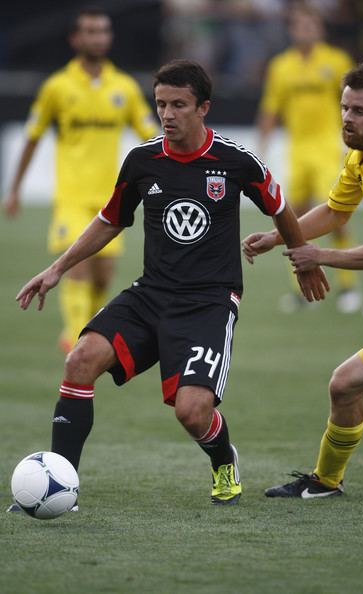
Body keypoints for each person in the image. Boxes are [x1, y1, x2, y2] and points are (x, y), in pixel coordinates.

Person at [8, 59, 328, 510]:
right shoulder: (142, 160)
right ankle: (63, 485)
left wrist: (303, 260)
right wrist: (57, 268)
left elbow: (280, 207)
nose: (167, 114)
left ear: (203, 108)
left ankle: (223, 460)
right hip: (151, 293)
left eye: (179, 104)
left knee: (192, 412)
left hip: (209, 302)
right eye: (161, 104)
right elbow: (110, 219)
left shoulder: (236, 160)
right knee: (79, 362)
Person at [242, 64, 363, 498]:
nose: (348, 117)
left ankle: (326, 480)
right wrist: (277, 237)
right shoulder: (359, 157)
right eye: (345, 108)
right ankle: (326, 482)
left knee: (344, 383)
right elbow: (335, 212)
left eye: (360, 111)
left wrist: (319, 257)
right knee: (345, 386)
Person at [3, 6, 158, 353]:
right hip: (71, 196)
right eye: (90, 31)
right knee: (78, 269)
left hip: (110, 198)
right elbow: (32, 137)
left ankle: (85, 330)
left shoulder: (124, 88)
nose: (97, 37)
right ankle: (74, 337)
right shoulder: (57, 87)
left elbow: (150, 136)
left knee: (103, 275)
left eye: (103, 31)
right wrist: (14, 190)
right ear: (75, 38)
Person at [256, 2, 362, 314]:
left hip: (328, 149)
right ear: (292, 29)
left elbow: (351, 105)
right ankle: (301, 290)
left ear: (319, 28)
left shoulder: (336, 60)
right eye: (299, 25)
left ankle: (347, 286)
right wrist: (260, 149)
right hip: (297, 150)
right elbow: (270, 109)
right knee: (295, 221)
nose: (305, 30)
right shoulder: (281, 66)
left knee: (336, 217)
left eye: (310, 25)